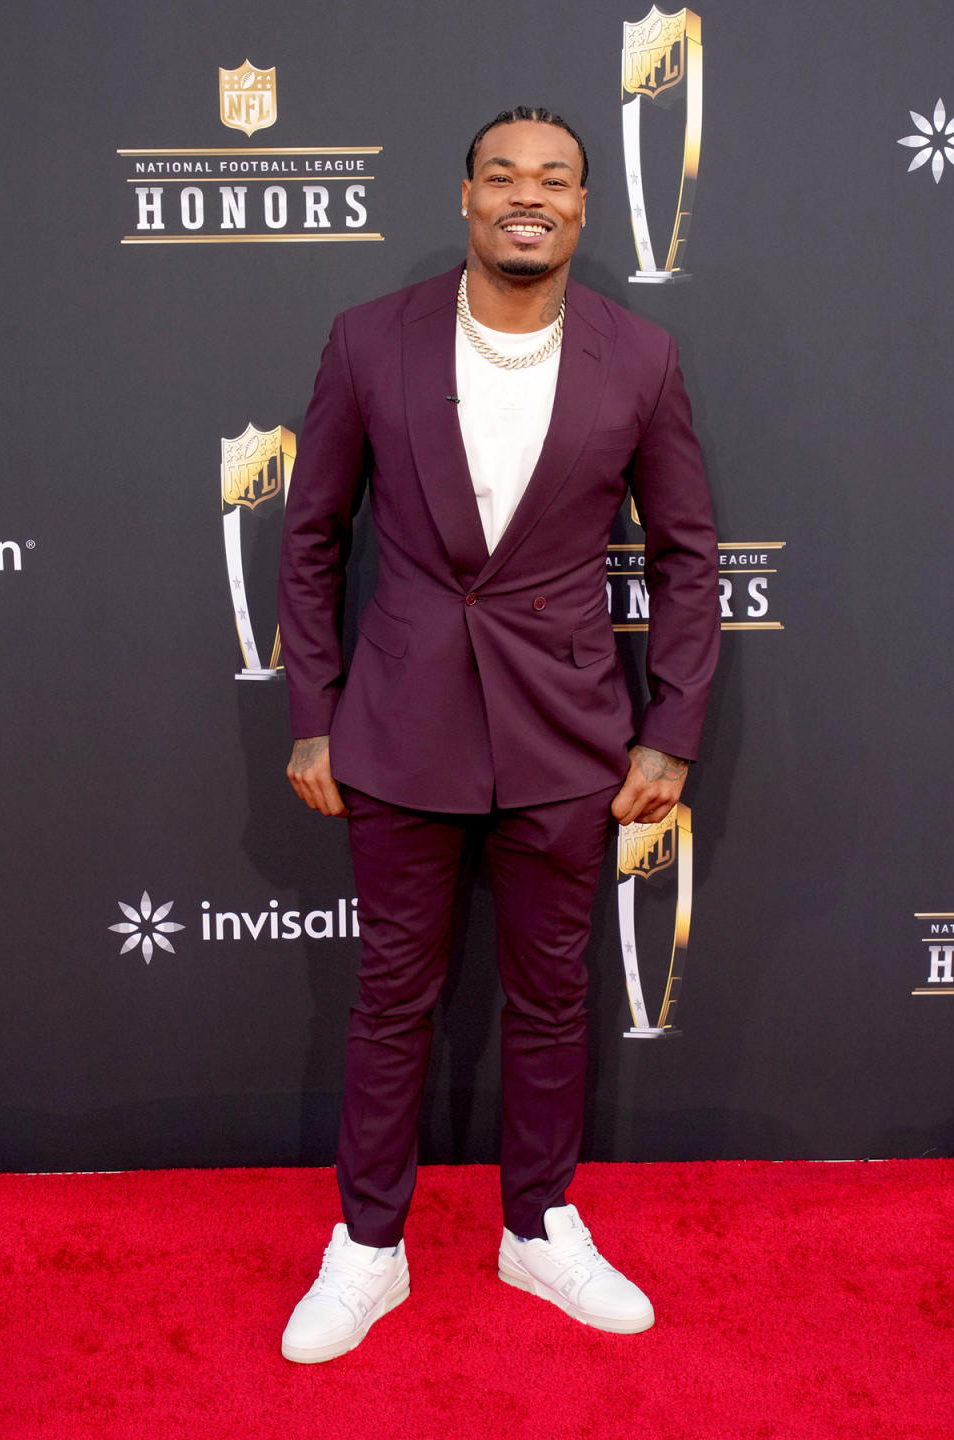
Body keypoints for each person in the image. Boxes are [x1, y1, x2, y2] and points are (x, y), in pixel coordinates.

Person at [276, 105, 719, 1363]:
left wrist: (670, 735)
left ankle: (540, 1226)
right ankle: (369, 1246)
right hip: (399, 730)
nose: (531, 196)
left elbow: (689, 558)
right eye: (505, 176)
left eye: (558, 179)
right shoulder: (370, 342)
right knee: (391, 1001)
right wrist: (315, 714)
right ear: (466, 196)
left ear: (584, 207)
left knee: (550, 998)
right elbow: (310, 539)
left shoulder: (643, 356)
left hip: (570, 735)